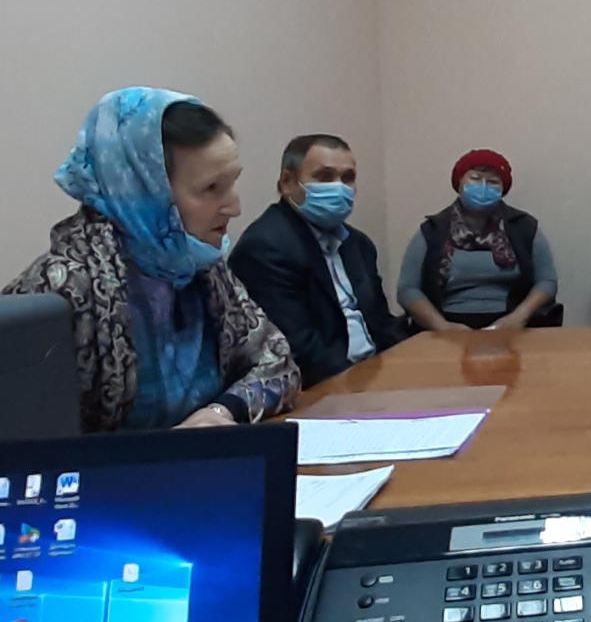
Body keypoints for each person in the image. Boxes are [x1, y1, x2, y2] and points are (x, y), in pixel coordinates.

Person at [2, 88, 301, 431]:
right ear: (144, 191)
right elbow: (30, 435)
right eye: (211, 189)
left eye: (232, 183)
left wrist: (222, 412)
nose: (235, 207)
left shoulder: (198, 264)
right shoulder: (62, 288)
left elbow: (278, 362)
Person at [231, 134, 409, 386]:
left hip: (375, 372)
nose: (339, 188)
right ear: (287, 182)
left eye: (347, 178)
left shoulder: (358, 244)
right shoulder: (265, 247)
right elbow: (300, 351)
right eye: (324, 177)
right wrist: (363, 388)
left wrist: (408, 363)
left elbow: (381, 323)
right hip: (327, 386)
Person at [396, 149, 559, 331]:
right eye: (475, 179)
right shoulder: (432, 230)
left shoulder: (525, 227)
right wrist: (442, 327)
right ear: (459, 184)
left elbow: (547, 281)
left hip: (512, 325)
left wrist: (519, 317)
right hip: (446, 326)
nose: (483, 187)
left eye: (492, 182)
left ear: (503, 189)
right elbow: (407, 289)